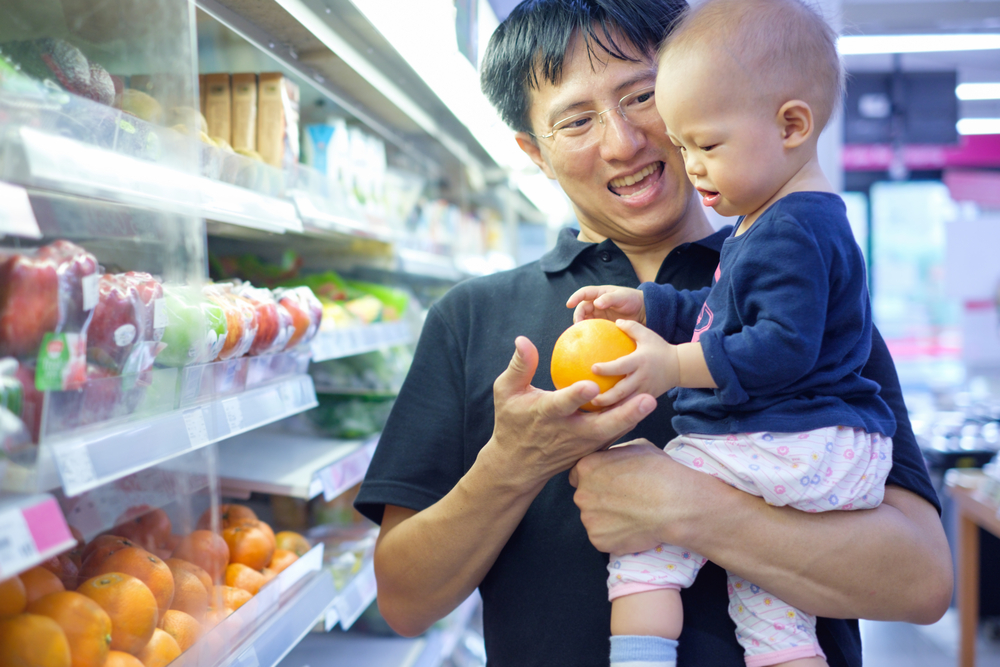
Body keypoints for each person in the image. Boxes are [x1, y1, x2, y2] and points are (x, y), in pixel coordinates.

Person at [354, 1, 953, 665]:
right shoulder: (470, 318)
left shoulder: (798, 283)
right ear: (535, 153)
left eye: (641, 96)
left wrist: (690, 508)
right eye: (577, 120)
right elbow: (406, 601)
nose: (622, 141)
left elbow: (922, 581)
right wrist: (513, 462)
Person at [564, 1, 893, 665]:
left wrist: (674, 366)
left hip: (796, 440)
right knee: (771, 609)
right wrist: (650, 305)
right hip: (815, 447)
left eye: (708, 146)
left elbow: (779, 347)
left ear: (792, 125)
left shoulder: (791, 231)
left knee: (644, 524)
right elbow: (724, 311)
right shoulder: (775, 219)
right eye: (684, 147)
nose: (692, 168)